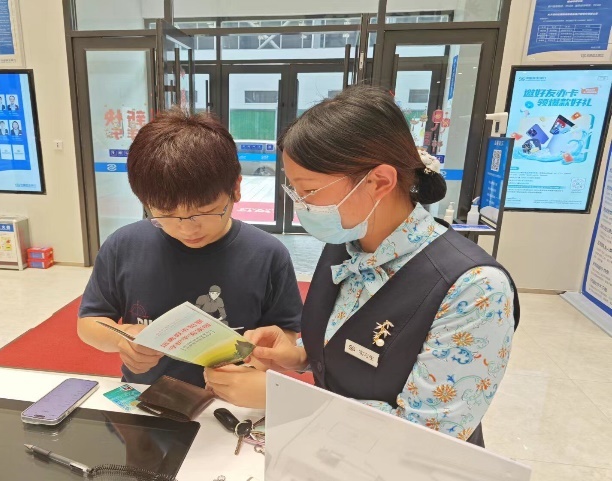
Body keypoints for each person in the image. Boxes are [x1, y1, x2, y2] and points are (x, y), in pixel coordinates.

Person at [204, 86, 519, 448]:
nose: (300, 206)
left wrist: (283, 398)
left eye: (309, 191)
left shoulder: (475, 288)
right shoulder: (347, 243)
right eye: (294, 191)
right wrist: (301, 353)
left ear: (379, 181)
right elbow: (350, 336)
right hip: (332, 451)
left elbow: (434, 436)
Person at [77, 109, 303, 387]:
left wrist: (260, 361)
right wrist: (122, 339)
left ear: (236, 188)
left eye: (205, 211)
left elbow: (286, 332)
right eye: (166, 214)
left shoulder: (267, 254)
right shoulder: (123, 246)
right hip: (146, 393)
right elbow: (90, 322)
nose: (187, 229)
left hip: (235, 399)